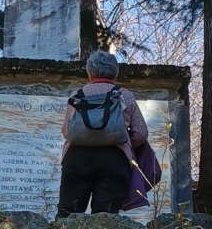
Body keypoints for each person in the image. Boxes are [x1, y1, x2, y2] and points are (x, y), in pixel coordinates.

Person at [57, 50, 148, 217]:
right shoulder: (125, 95)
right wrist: (124, 143)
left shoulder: (77, 96)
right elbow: (141, 133)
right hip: (114, 159)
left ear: (89, 73)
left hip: (77, 158)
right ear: (115, 73)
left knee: (68, 212)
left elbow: (67, 131)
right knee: (106, 215)